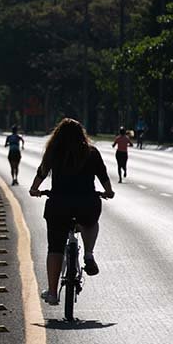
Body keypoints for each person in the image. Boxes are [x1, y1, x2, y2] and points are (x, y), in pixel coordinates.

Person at [29, 118, 114, 306]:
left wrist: (35, 189)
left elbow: (42, 172)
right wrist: (108, 192)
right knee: (89, 222)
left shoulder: (54, 152)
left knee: (55, 247)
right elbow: (103, 175)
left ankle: (52, 293)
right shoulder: (91, 152)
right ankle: (89, 254)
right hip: (86, 203)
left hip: (59, 204)